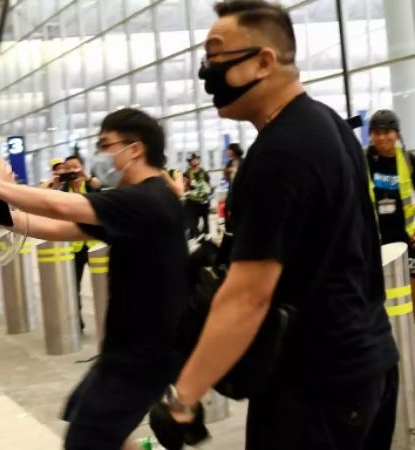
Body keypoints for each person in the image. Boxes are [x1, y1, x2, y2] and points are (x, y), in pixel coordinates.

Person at [150, 2, 398, 450]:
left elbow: (248, 295)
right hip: (365, 364)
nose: (206, 71)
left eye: (215, 55)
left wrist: (183, 397)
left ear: (264, 62)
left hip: (315, 385)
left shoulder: (280, 154)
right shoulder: (327, 123)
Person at [0, 108, 188, 450]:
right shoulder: (140, 201)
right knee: (92, 428)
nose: (102, 154)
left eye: (106, 145)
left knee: (85, 441)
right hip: (126, 351)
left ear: (135, 148)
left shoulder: (146, 199)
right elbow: (57, 228)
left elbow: (63, 206)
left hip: (144, 355)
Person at [364, 109, 415, 296]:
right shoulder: (364, 160)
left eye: (387, 132)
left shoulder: (408, 160)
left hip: (406, 237)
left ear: (397, 134)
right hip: (376, 238)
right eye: (377, 133)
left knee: (410, 287)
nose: (382, 138)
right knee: (383, 289)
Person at [60, 155, 102, 333]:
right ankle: (77, 323)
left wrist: (86, 178)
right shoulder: (62, 189)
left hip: (96, 247)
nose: (71, 171)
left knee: (104, 286)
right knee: (72, 287)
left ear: (82, 167)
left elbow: (99, 190)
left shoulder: (91, 186)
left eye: (75, 167)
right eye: (68, 167)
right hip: (74, 246)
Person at [183, 153, 211, 238]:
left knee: (206, 223)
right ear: (190, 162)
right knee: (192, 223)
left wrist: (208, 191)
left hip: (203, 202)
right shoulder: (186, 173)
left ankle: (206, 240)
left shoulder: (204, 172)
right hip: (191, 202)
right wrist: (187, 186)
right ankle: (196, 237)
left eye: (196, 159)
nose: (195, 161)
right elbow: (184, 187)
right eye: (193, 160)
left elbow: (209, 185)